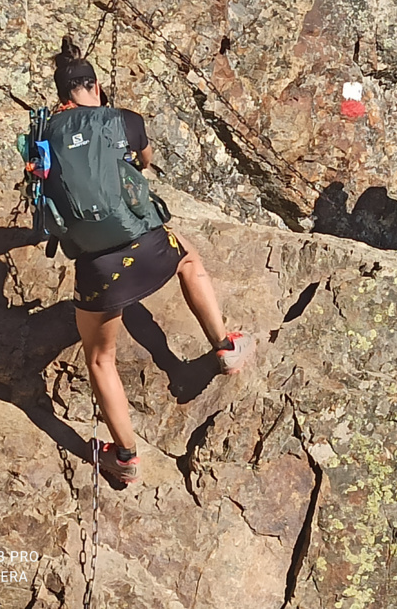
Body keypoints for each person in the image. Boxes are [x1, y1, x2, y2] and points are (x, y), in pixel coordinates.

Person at [46, 36, 254, 484]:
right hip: (149, 246)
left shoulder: (44, 133)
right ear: (95, 86)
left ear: (62, 94)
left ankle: (125, 459)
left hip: (97, 268)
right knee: (190, 262)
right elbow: (145, 159)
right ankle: (226, 347)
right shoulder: (122, 119)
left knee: (100, 359)